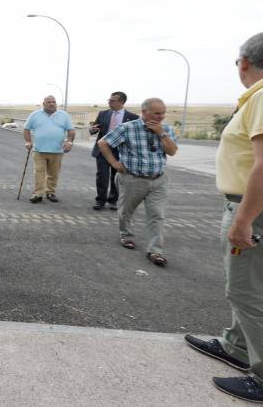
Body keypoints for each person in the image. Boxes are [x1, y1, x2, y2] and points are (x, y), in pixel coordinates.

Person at [184, 32, 263, 402]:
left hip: (252, 210)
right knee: (248, 286)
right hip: (249, 207)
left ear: (244, 62)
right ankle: (236, 347)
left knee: (245, 291)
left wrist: (243, 219)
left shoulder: (261, 96)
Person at [98, 97, 177, 267]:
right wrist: (114, 162)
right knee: (127, 211)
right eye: (157, 113)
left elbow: (172, 151)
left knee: (157, 215)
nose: (161, 117)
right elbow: (103, 142)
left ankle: (155, 251)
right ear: (144, 112)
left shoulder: (166, 129)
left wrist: (161, 133)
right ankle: (126, 235)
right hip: (132, 179)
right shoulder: (127, 128)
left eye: (163, 113)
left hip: (158, 180)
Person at [89, 92, 139, 210]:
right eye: (109, 100)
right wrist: (92, 129)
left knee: (117, 177)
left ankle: (113, 200)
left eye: (112, 100)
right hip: (102, 149)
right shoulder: (103, 114)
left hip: (120, 152)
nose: (109, 102)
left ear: (122, 102)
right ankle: (100, 200)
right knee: (102, 176)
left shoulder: (133, 117)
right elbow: (94, 129)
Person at [22, 95, 75, 203]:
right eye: (49, 102)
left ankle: (50, 192)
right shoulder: (35, 115)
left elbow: (71, 130)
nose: (51, 104)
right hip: (39, 150)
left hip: (57, 150)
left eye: (53, 102)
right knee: (39, 172)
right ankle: (38, 194)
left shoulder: (64, 115)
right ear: (44, 104)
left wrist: (69, 142)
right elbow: (26, 129)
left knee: (53, 173)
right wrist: (28, 141)